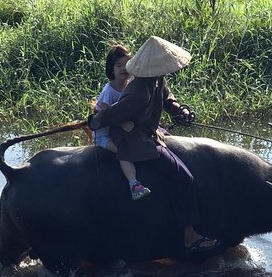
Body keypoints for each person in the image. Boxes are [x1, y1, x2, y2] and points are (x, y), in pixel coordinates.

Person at [88, 36, 220, 254]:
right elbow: (114, 113)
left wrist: (180, 111)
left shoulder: (157, 79)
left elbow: (168, 98)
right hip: (136, 140)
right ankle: (189, 235)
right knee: (184, 178)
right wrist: (94, 121)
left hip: (150, 133)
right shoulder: (138, 89)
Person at [94, 44, 151, 200]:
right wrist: (122, 123)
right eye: (118, 65)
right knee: (124, 150)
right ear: (111, 69)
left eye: (126, 64)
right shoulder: (108, 91)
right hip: (106, 135)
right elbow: (106, 116)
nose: (123, 69)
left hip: (121, 132)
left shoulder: (130, 85)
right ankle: (134, 184)